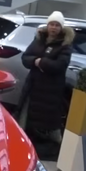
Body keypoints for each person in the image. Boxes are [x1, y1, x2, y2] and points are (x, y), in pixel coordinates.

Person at [19, 11, 74, 144]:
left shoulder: (64, 45)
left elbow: (60, 65)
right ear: (47, 25)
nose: (53, 27)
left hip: (51, 90)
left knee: (47, 120)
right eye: (51, 24)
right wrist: (35, 61)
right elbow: (25, 58)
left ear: (61, 27)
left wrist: (41, 62)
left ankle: (50, 145)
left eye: (57, 25)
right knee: (27, 116)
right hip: (33, 85)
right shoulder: (39, 40)